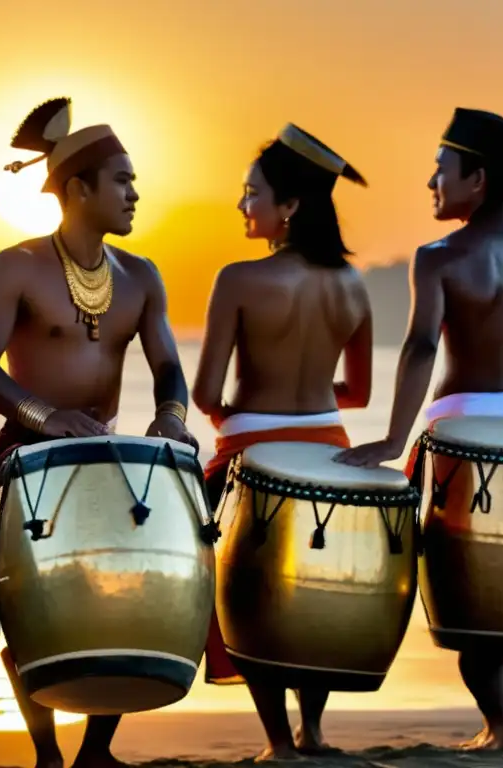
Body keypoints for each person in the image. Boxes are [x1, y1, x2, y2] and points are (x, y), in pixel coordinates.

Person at [335, 107, 503, 750]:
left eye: (440, 170)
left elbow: (420, 350)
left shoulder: (439, 258)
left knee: (469, 595)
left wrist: (391, 439)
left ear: (477, 179)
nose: (431, 182)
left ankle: (502, 724)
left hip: (463, 443)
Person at [0, 96, 197, 768]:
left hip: (113, 456)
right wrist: (42, 415)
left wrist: (171, 420)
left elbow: (169, 368)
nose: (134, 194)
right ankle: (47, 755)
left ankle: (96, 751)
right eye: (122, 181)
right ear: (78, 188)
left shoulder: (142, 277)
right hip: (30, 456)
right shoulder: (16, 266)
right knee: (28, 607)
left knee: (118, 598)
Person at [191, 124, 372, 760]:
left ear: (289, 206)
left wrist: (241, 413)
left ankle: (278, 743)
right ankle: (313, 731)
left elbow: (206, 392)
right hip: (329, 449)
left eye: (251, 194)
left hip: (251, 454)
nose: (243, 206)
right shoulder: (352, 285)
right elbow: (361, 391)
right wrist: (313, 401)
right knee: (309, 591)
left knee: (248, 597)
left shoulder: (237, 278)